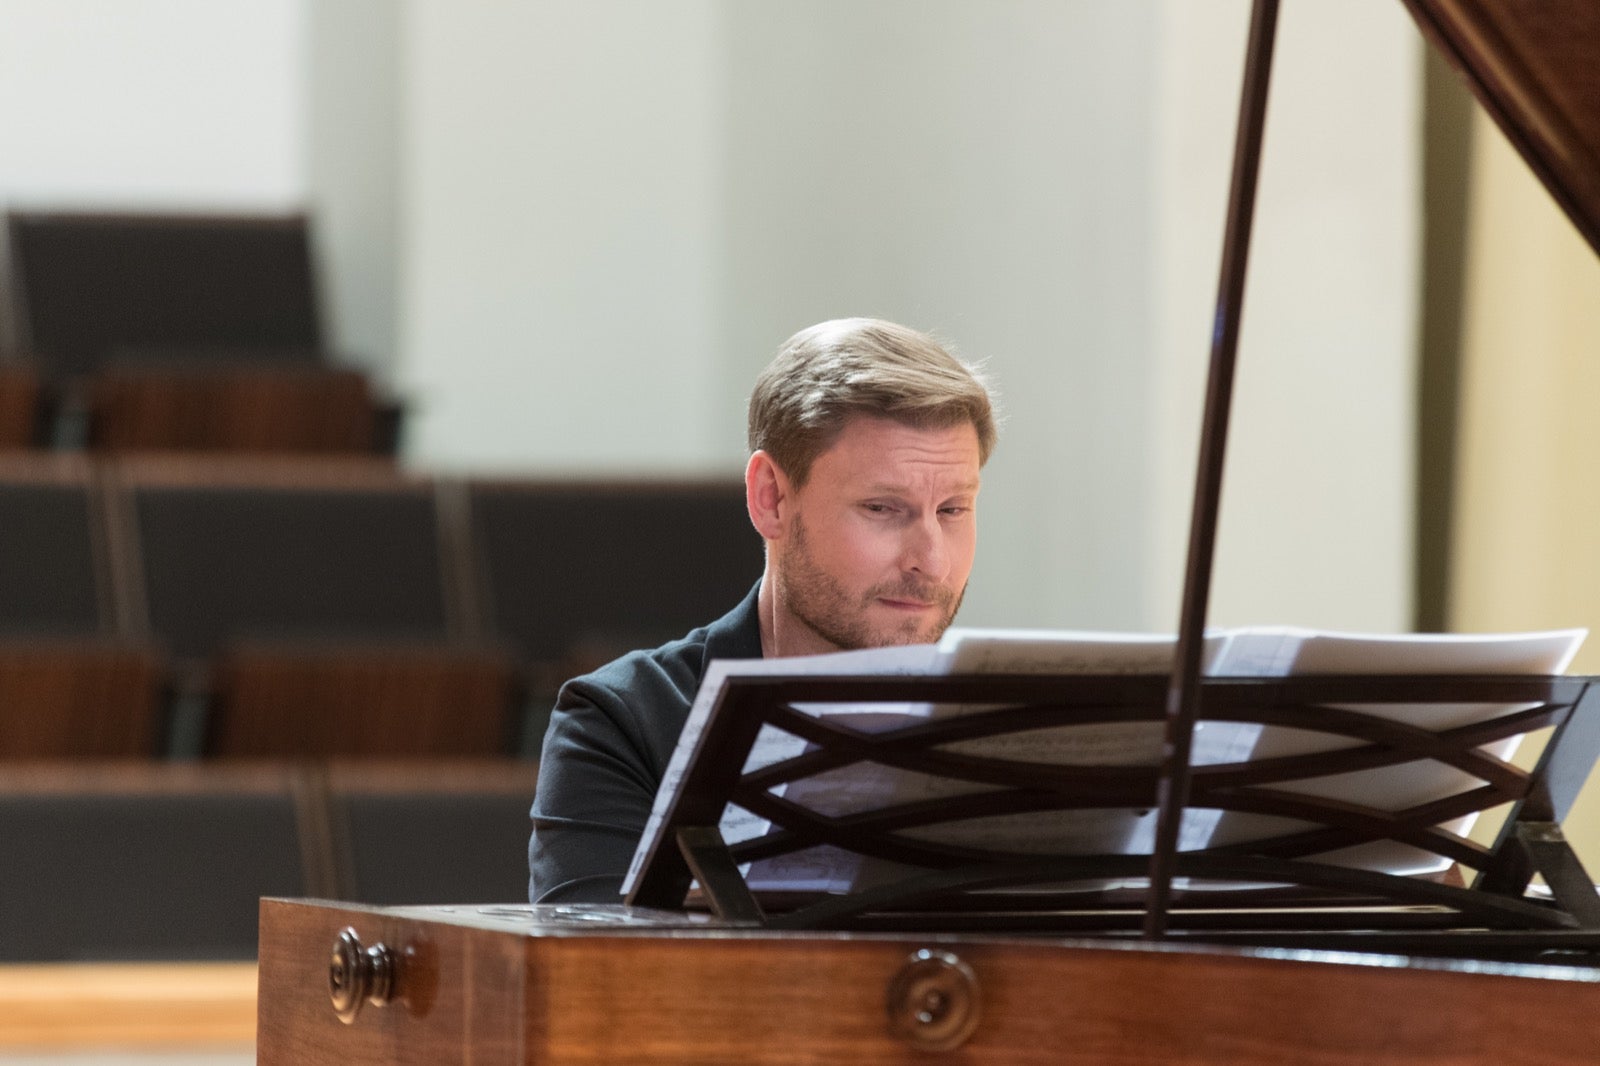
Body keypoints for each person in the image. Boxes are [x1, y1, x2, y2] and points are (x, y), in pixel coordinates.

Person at [528, 317, 999, 903]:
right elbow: (590, 980)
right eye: (882, 508)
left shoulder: (1019, 724)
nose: (930, 559)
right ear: (770, 497)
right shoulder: (625, 721)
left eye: (953, 510)